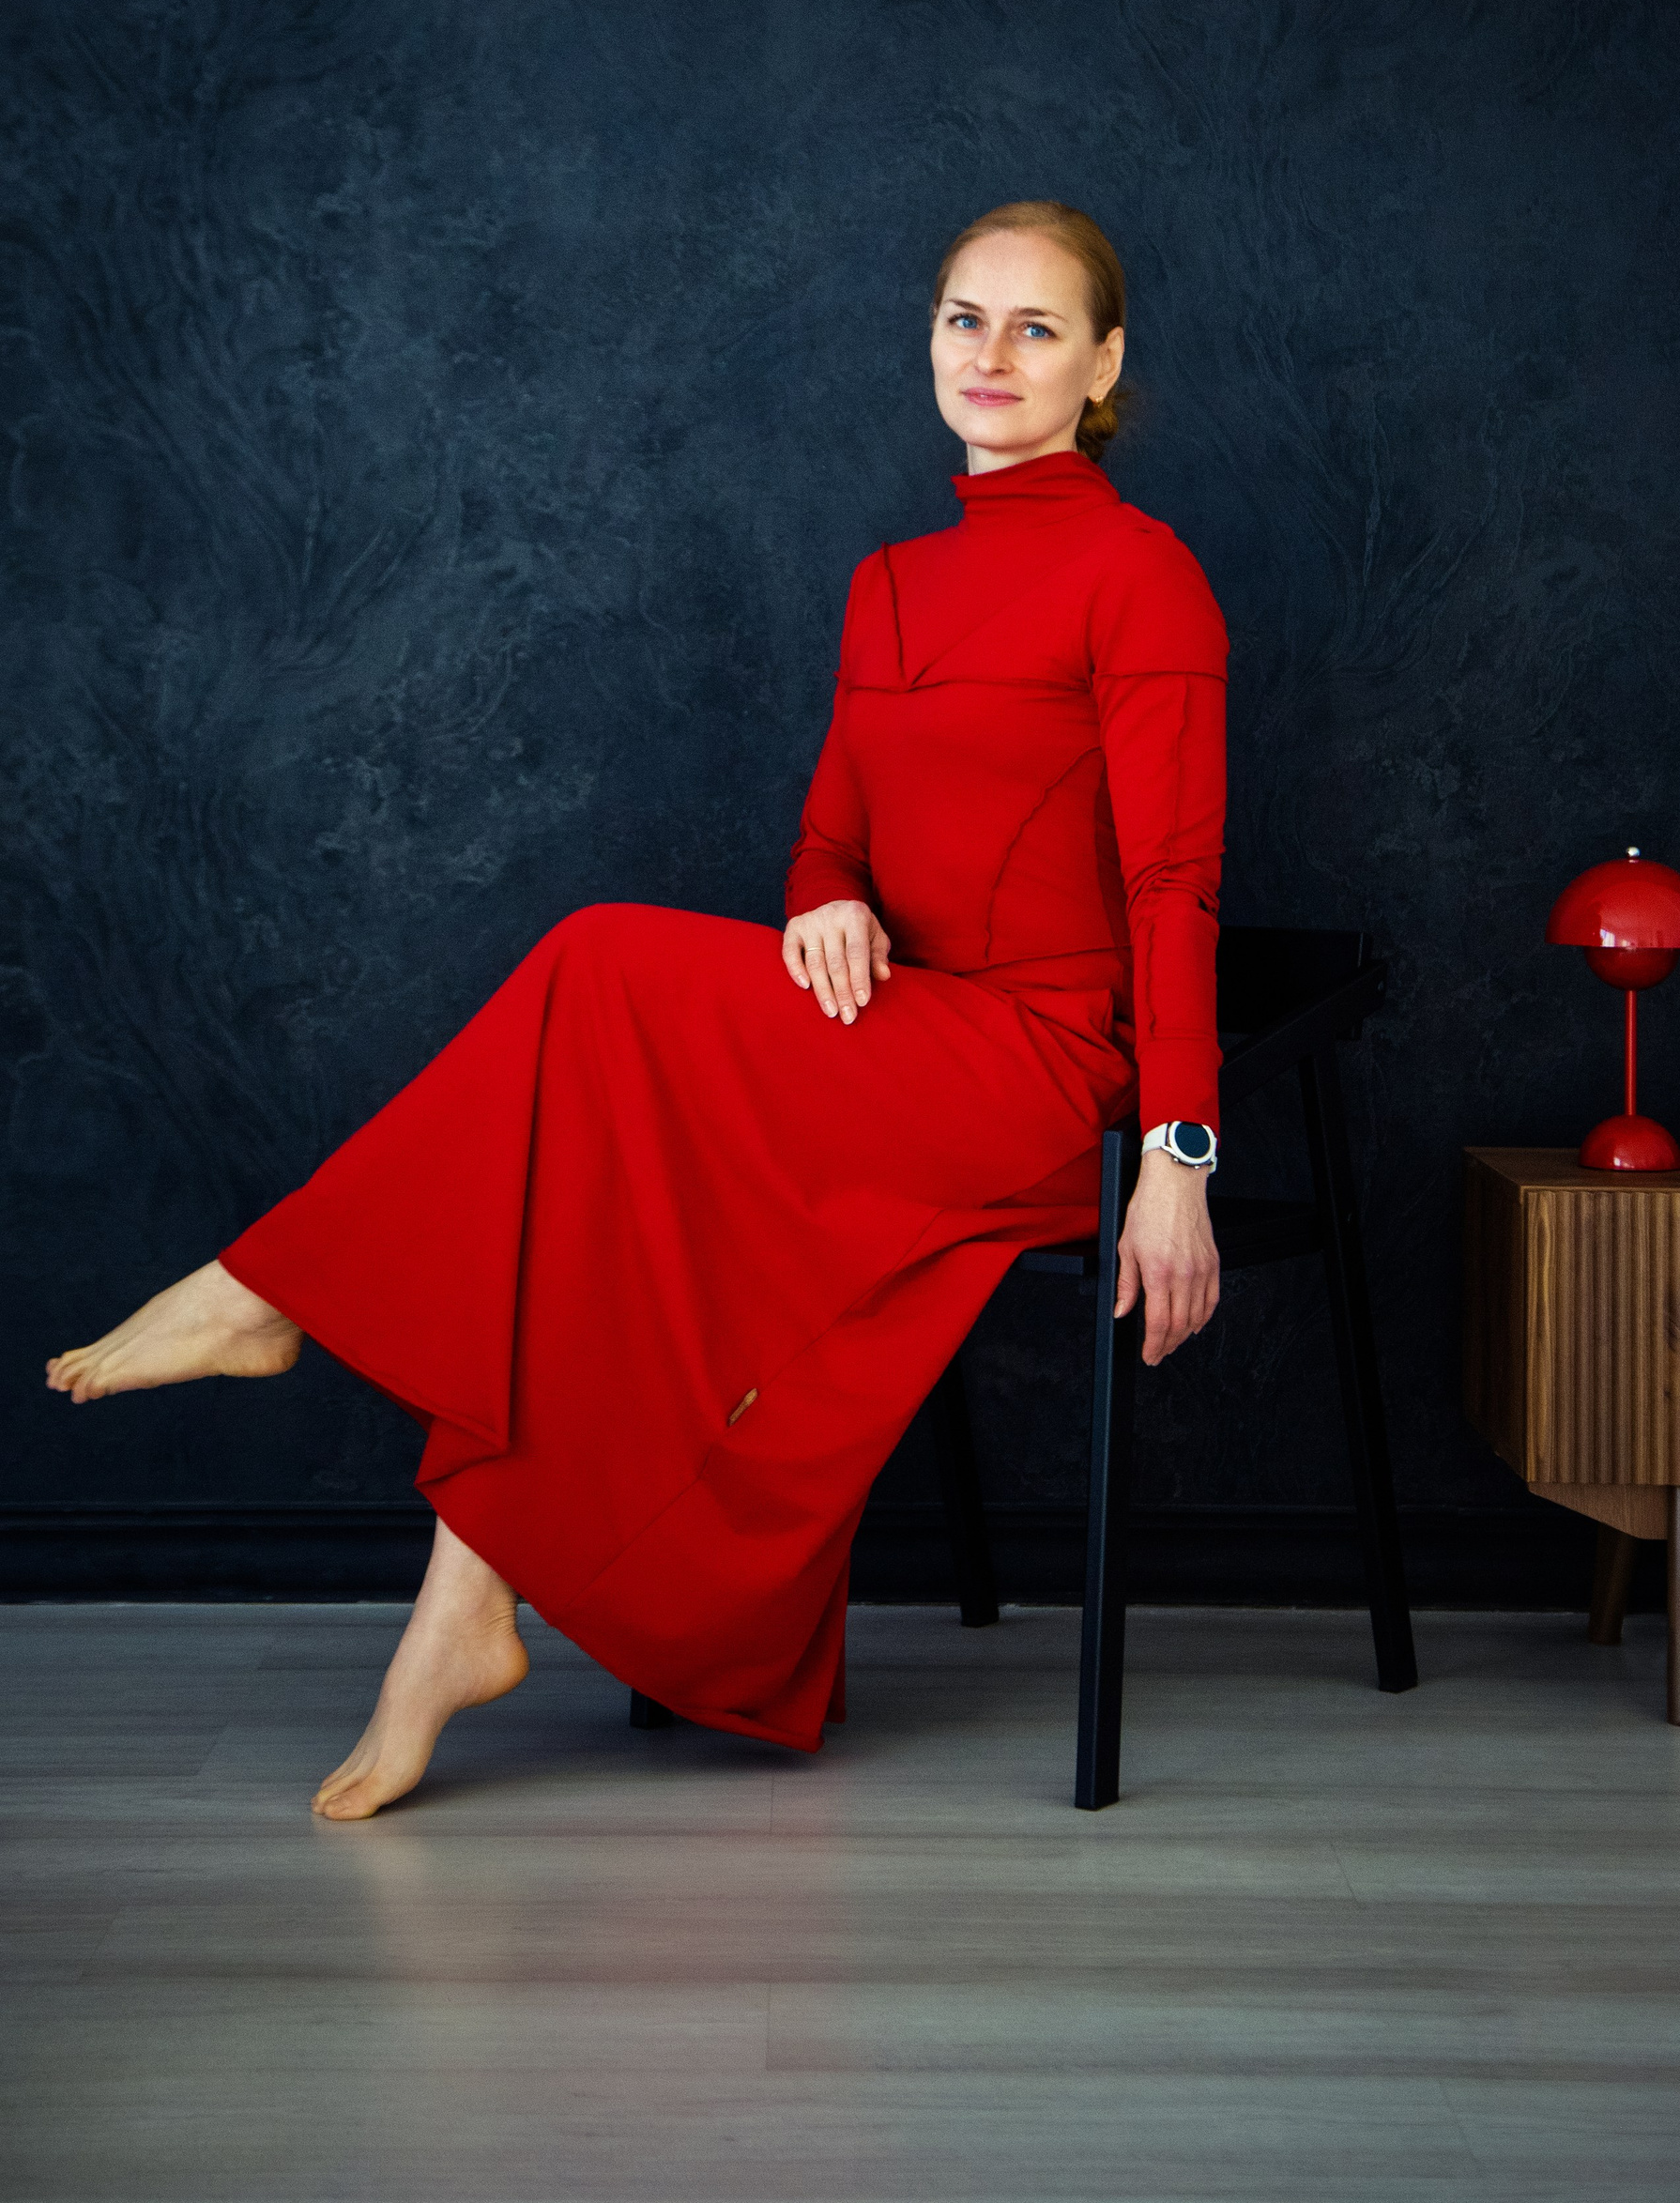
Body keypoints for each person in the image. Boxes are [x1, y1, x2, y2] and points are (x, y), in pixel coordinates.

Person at [46, 201, 1229, 1822]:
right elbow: (831, 836)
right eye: (966, 318)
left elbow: (1174, 884)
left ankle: (276, 1286)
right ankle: (458, 1611)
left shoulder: (1143, 574)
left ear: (1103, 363)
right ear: (930, 340)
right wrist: (825, 900)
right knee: (599, 1168)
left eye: (1038, 328)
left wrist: (1178, 1154)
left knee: (602, 964)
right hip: (895, 1032)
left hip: (1035, 1068)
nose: (993, 354)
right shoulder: (889, 584)